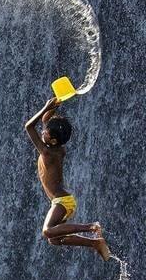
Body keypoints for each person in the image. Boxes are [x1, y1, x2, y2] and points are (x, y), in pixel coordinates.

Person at [25, 97, 110, 260]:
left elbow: (29, 127)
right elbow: (45, 121)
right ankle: (95, 243)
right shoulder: (57, 148)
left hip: (63, 201)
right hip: (63, 201)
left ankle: (92, 227)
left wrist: (44, 108)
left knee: (48, 231)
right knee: (54, 240)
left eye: (46, 132)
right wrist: (54, 106)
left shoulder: (47, 153)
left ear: (53, 139)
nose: (43, 131)